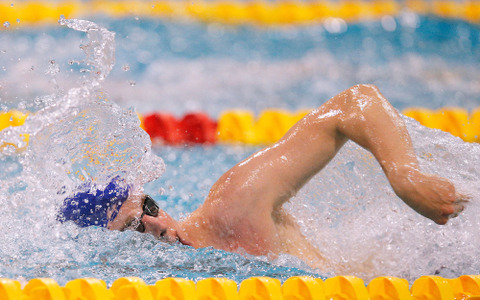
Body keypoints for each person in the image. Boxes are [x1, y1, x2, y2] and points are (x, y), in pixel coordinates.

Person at [58, 84, 467, 269]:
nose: (159, 225)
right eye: (133, 227)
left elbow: (353, 104)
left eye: (149, 207)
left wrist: (405, 177)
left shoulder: (233, 208)